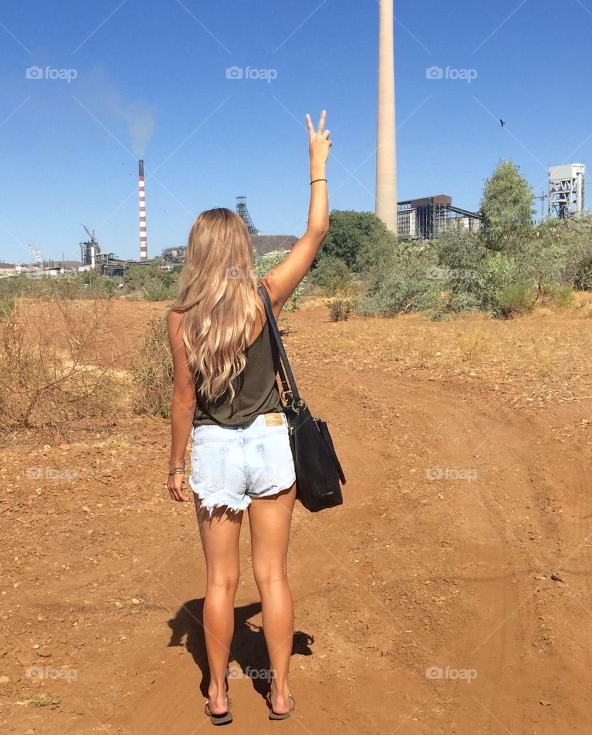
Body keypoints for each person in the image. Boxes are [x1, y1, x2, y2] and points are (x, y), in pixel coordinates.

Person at [166, 110, 332, 724]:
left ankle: (217, 693)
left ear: (196, 251)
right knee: (274, 578)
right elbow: (315, 234)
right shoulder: (265, 294)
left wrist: (175, 464)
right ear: (239, 248)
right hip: (268, 444)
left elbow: (184, 399)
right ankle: (281, 693)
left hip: (212, 448)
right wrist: (316, 166)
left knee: (219, 585)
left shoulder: (181, 316)